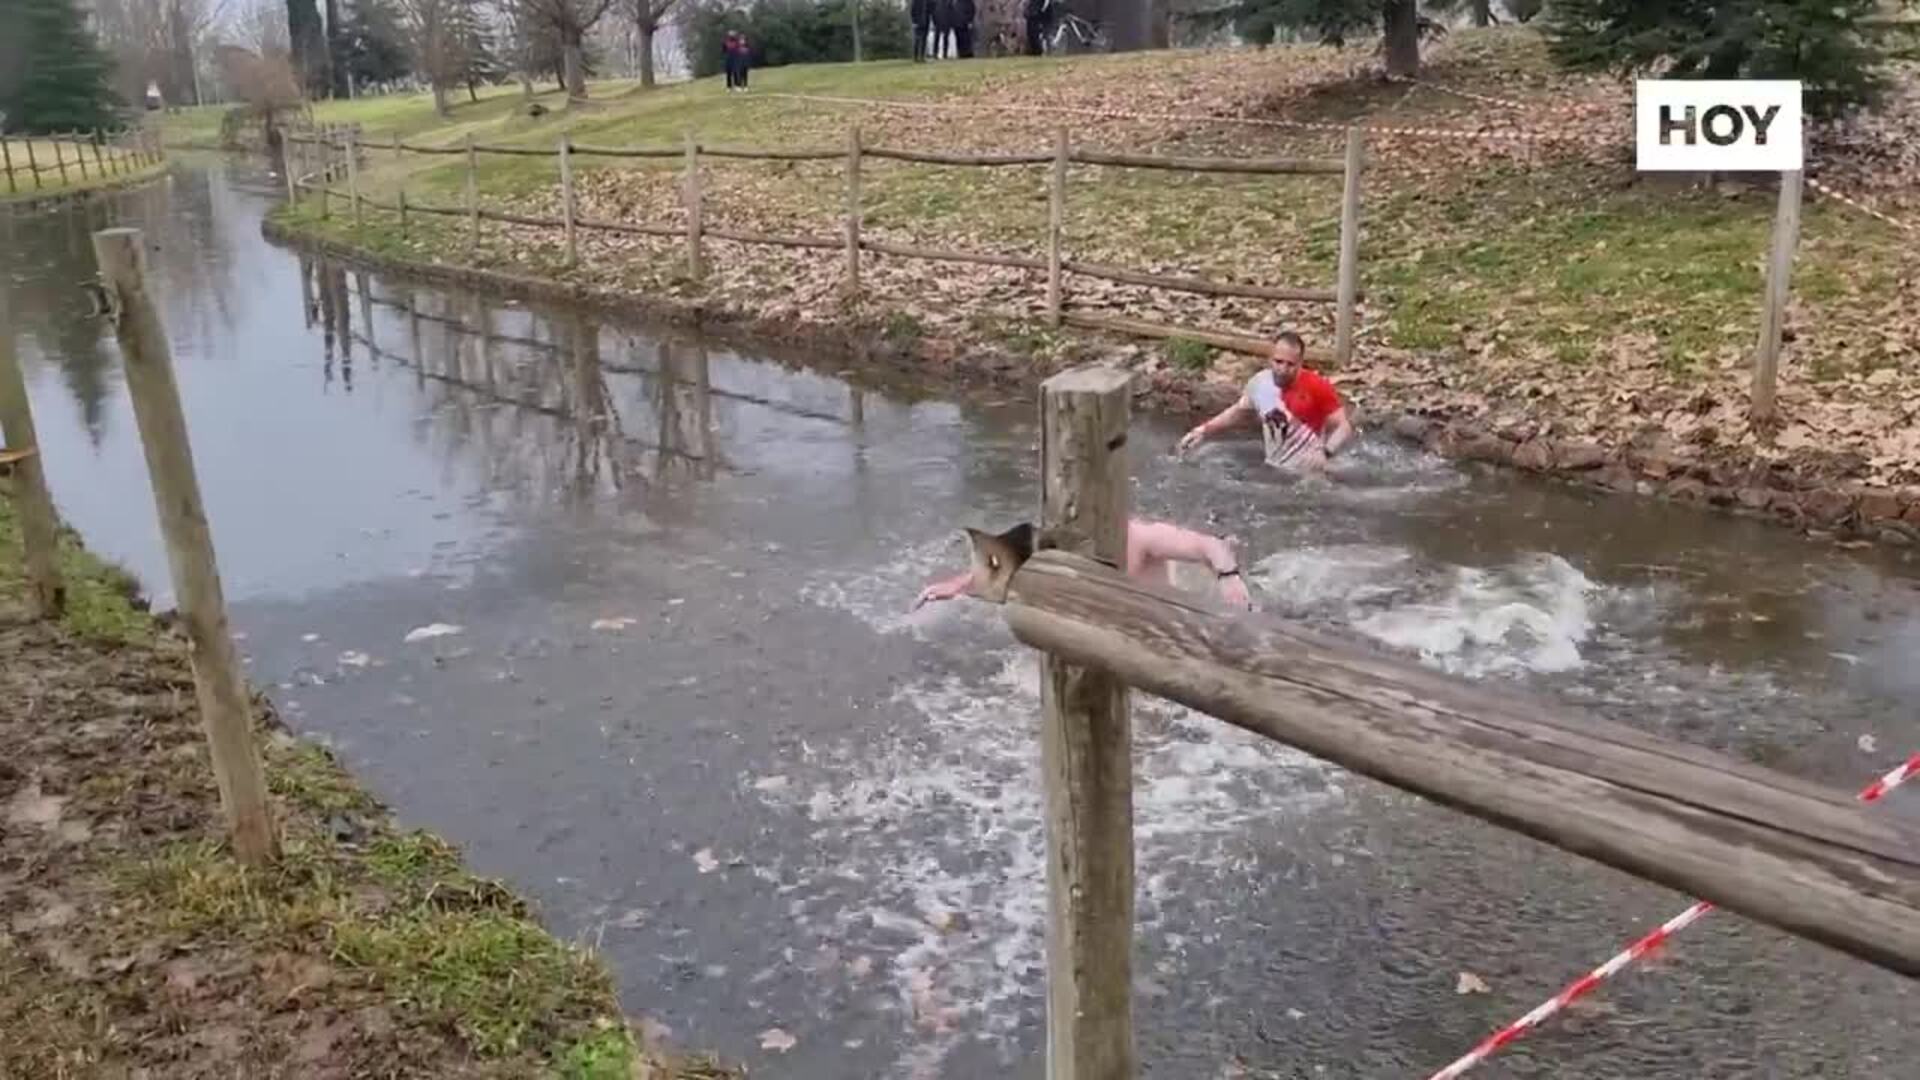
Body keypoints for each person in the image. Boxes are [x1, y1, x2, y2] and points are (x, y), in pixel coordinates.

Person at [913, 519, 1255, 611]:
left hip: (1152, 616)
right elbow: (1002, 561)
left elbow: (1208, 544)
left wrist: (1228, 576)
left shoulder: (1140, 535)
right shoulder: (1057, 536)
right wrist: (957, 586)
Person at [1176, 330, 1355, 471]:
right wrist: (1203, 430)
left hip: (1309, 472)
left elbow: (1343, 426)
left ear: (1301, 363)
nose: (1283, 369)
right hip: (1275, 467)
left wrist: (1326, 453)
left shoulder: (1317, 387)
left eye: (1290, 364)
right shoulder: (1260, 384)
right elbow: (1238, 412)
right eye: (1278, 362)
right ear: (1270, 359)